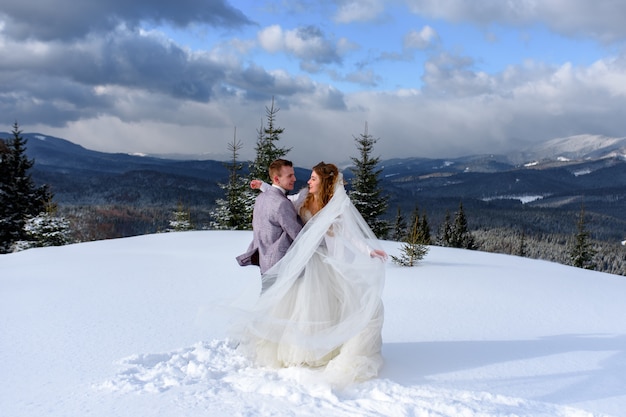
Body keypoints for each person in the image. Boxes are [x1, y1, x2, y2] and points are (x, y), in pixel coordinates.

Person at [235, 162, 387, 386]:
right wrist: (265, 186)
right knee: (305, 307)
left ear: (324, 183)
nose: (308, 181)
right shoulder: (303, 197)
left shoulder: (335, 207)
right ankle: (304, 349)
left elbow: (349, 233)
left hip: (323, 260)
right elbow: (282, 202)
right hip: (306, 261)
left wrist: (368, 250)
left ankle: (327, 345)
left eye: (313, 178)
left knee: (332, 304)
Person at [236, 159, 304, 292]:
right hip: (279, 265)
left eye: (293, 174)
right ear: (277, 179)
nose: (294, 179)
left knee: (267, 304)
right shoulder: (282, 203)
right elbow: (298, 234)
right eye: (289, 176)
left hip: (265, 262)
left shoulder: (261, 198)